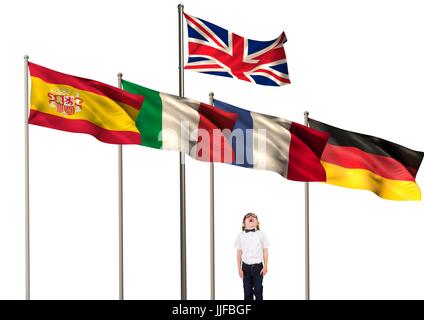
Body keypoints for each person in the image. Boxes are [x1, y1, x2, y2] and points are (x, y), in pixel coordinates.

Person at [234, 212, 269, 300]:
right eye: (248, 217)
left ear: (257, 223)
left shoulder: (261, 234)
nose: (251, 217)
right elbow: (239, 252)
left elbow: (265, 250)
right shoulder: (240, 235)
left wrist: (265, 266)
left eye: (253, 217)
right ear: (243, 223)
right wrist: (239, 268)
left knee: (258, 290)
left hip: (258, 267)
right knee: (247, 291)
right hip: (245, 267)